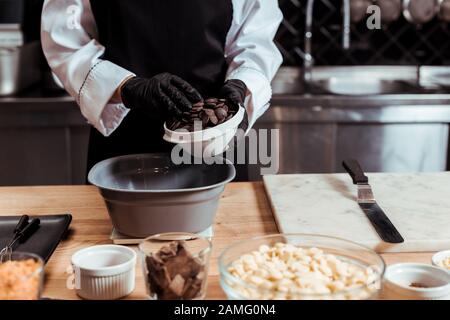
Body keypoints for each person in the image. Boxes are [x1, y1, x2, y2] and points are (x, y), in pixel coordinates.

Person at [41, 0, 283, 178]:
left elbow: (256, 39)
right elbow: (65, 44)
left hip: (215, 137)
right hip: (124, 140)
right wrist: (126, 87)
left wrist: (241, 85)